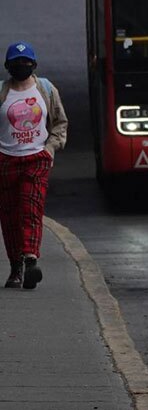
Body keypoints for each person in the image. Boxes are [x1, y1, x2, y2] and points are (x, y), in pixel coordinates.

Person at [0, 42, 67, 290]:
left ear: (34, 65)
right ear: (8, 67)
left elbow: (60, 122)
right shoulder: (2, 92)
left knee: (30, 208)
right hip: (6, 160)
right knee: (9, 216)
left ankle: (30, 258)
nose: (21, 67)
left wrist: (50, 148)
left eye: (25, 63)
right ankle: (15, 267)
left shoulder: (46, 90)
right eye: (16, 63)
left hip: (36, 158)